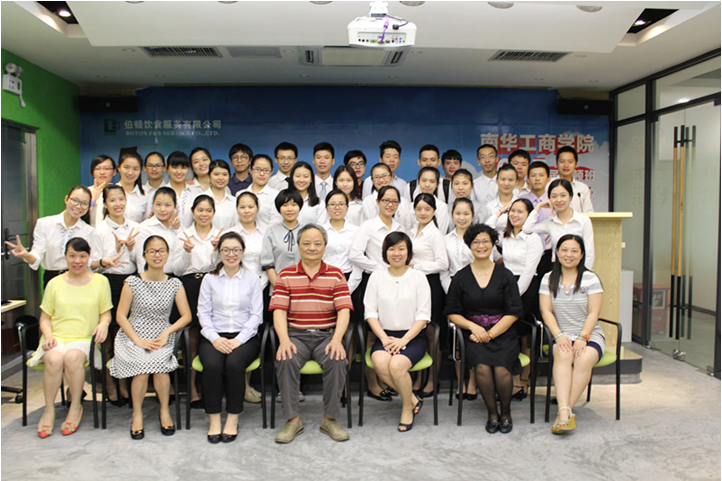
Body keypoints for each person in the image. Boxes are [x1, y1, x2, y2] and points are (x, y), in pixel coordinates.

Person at [271, 224, 353, 443]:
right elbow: (279, 311)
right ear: (298, 246)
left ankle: (330, 420)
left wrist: (337, 339)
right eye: (306, 243)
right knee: (286, 358)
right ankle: (293, 421)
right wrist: (284, 340)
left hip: (326, 336)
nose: (312, 248)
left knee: (337, 359)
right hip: (295, 335)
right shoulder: (286, 274)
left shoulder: (336, 274)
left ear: (325, 246)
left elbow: (344, 310)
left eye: (317, 243)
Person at [109, 235, 192, 440]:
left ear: (168, 254)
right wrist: (138, 340)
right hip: (133, 336)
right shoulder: (133, 281)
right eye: (152, 251)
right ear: (144, 255)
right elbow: (121, 316)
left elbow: (186, 316)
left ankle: (164, 411)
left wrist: (166, 333)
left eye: (162, 251)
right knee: (143, 368)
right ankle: (137, 414)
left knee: (160, 366)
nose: (157, 255)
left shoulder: (174, 283)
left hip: (161, 335)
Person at [30, 237, 112, 438]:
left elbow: (106, 314)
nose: (77, 261)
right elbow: (45, 318)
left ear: (89, 257)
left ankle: (75, 406)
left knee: (73, 358)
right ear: (65, 257)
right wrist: (48, 335)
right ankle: (49, 409)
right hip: (56, 337)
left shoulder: (100, 281)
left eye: (82, 256)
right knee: (53, 359)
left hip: (84, 338)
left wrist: (103, 324)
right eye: (72, 256)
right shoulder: (54, 283)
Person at [445, 223, 523, 434]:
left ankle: (505, 413)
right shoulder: (461, 277)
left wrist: (490, 333)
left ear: (493, 244)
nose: (481, 246)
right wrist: (473, 327)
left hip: (503, 333)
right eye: (476, 242)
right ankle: (492, 414)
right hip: (474, 335)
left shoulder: (505, 275)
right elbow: (452, 312)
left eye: (486, 241)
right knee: (482, 367)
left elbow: (514, 311)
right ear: (469, 245)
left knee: (501, 368)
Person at [198, 232, 263, 443]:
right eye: (226, 250)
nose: (231, 254)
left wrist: (239, 340)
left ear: (243, 252)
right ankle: (214, 419)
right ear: (219, 253)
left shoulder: (252, 279)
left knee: (235, 364)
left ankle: (233, 418)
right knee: (212, 365)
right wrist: (215, 338)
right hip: (214, 335)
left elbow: (256, 315)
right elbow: (203, 313)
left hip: (244, 337)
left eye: (236, 250)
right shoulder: (209, 279)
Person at [364, 231, 431, 432]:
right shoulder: (376, 277)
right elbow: (370, 313)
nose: (396, 253)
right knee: (380, 363)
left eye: (401, 249)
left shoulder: (418, 277)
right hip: (385, 336)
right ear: (385, 252)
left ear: (408, 252)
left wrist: (404, 340)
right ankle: (411, 399)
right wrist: (384, 338)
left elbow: (423, 315)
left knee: (397, 365)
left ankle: (406, 409)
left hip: (413, 337)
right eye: (392, 249)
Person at [539, 235, 604, 434]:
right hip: (561, 334)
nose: (569, 255)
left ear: (582, 254)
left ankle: (564, 413)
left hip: (590, 335)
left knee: (583, 358)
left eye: (574, 251)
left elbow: (593, 313)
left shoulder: (590, 279)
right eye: (565, 250)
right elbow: (546, 312)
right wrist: (559, 335)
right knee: (563, 354)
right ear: (557, 252)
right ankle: (565, 413)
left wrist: (583, 337)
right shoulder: (548, 278)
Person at [350, 185, 404, 401]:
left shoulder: (400, 227)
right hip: (374, 283)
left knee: (390, 330)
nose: (390, 205)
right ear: (378, 202)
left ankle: (387, 379)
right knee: (372, 335)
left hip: (397, 285)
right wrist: (381, 268)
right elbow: (355, 254)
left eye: (394, 201)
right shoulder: (368, 226)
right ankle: (373, 384)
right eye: (386, 200)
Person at [489, 198, 544, 399]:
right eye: (512, 211)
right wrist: (499, 212)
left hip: (526, 288)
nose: (514, 215)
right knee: (508, 335)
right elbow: (486, 231)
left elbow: (529, 272)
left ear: (529, 216)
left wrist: (512, 297)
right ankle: (511, 381)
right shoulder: (506, 236)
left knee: (524, 337)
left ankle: (523, 381)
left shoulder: (533, 239)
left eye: (520, 211)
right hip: (508, 285)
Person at [172, 194, 224, 408]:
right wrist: (186, 253)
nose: (204, 214)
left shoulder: (220, 235)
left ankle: (213, 388)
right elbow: (176, 270)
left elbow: (224, 266)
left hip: (214, 285)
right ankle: (192, 390)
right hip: (189, 287)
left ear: (214, 212)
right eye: (200, 210)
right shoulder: (182, 235)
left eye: (208, 210)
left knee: (213, 338)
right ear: (193, 211)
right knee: (191, 341)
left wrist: (218, 251)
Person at [91, 184, 140, 406]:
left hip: (131, 282)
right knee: (108, 336)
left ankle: (124, 383)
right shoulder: (99, 231)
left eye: (121, 199)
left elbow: (141, 259)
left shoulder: (135, 227)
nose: (118, 204)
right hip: (107, 283)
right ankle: (110, 383)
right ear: (105, 204)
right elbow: (92, 264)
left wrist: (130, 248)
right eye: (112, 200)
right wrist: (114, 251)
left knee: (125, 335)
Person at [5, 185, 97, 287]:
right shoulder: (44, 224)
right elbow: (37, 254)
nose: (78, 206)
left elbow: (89, 261)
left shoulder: (89, 231)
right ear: (66, 199)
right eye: (75, 200)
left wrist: (103, 262)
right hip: (52, 279)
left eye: (84, 203)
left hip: (79, 278)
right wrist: (26, 255)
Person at [408, 194, 448, 398]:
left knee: (432, 333)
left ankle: (432, 379)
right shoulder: (411, 231)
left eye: (427, 209)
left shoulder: (435, 234)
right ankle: (419, 377)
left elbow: (443, 263)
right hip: (413, 285)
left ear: (434, 212)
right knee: (417, 332)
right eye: (419, 209)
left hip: (431, 285)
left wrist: (416, 267)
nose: (422, 213)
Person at [228, 192, 267, 404]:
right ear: (237, 209)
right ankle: (240, 386)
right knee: (239, 332)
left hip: (262, 287)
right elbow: (229, 261)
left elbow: (269, 262)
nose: (246, 211)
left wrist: (258, 287)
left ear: (257, 209)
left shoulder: (266, 232)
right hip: (236, 290)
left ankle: (247, 384)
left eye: (250, 206)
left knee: (255, 334)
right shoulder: (231, 233)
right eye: (242, 207)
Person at [442, 198, 476, 400]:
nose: (462, 218)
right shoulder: (445, 239)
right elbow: (444, 270)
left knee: (474, 337)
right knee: (457, 338)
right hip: (453, 289)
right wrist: (452, 293)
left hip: (478, 290)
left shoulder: (480, 238)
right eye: (458, 213)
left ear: (473, 215)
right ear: (452, 215)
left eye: (466, 213)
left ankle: (473, 382)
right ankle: (460, 381)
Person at [522, 179, 595, 270]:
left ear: (570, 197)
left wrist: (584, 274)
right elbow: (527, 229)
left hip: (578, 269)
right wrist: (539, 206)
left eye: (563, 195)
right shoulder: (550, 222)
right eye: (554, 196)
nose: (559, 200)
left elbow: (589, 254)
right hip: (556, 269)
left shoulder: (583, 221)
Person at [261, 189, 303, 289]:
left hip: (304, 288)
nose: (289, 209)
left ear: (300, 207)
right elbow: (268, 265)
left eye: (294, 205)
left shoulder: (307, 231)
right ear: (279, 208)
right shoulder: (271, 232)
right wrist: (280, 288)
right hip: (278, 288)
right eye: (285, 205)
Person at [321, 189, 361, 293]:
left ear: (347, 207)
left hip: (348, 279)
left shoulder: (356, 231)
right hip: (323, 279)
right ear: (326, 208)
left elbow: (358, 263)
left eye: (341, 204)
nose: (337, 207)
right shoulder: (320, 231)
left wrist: (348, 288)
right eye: (332, 204)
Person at [135, 187, 181, 275]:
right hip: (151, 277)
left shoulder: (179, 228)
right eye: (158, 204)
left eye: (167, 205)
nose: (162, 209)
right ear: (152, 205)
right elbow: (141, 260)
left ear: (175, 207)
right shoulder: (144, 228)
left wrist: (177, 230)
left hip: (176, 277)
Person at [520, 160, 554, 276]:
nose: (537, 179)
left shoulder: (554, 201)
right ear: (528, 180)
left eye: (541, 175)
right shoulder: (521, 201)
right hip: (526, 251)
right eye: (533, 175)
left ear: (548, 179)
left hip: (550, 252)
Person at [184, 159, 238, 230]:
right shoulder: (199, 199)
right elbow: (187, 226)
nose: (221, 178)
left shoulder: (234, 201)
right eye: (216, 174)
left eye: (224, 174)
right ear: (209, 176)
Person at [362, 163, 413, 230]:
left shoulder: (403, 201)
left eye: (384, 176)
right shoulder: (368, 201)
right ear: (372, 180)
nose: (381, 180)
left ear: (391, 177)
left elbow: (408, 226)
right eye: (376, 177)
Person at [239, 154, 281, 229]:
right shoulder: (240, 194)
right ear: (250, 170)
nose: (262, 174)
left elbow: (276, 222)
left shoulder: (276, 195)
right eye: (257, 169)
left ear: (271, 172)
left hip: (267, 235)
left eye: (266, 170)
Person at [406, 166, 450, 233]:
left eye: (432, 181)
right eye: (424, 180)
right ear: (418, 182)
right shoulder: (411, 205)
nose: (427, 185)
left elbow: (441, 232)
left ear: (437, 184)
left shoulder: (442, 207)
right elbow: (408, 230)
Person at [555, 146, 594, 213]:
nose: (566, 165)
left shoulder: (583, 188)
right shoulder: (548, 186)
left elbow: (589, 213)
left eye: (570, 162)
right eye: (562, 161)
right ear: (556, 164)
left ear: (576, 164)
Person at [485, 164, 518, 234]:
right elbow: (485, 229)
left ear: (516, 181)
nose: (506, 183)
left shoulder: (521, 205)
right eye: (503, 179)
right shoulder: (489, 206)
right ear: (497, 180)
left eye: (510, 180)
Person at [288, 161, 324, 226]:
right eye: (298, 176)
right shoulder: (284, 200)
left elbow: (320, 227)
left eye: (306, 176)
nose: (301, 180)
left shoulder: (319, 203)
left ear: (311, 179)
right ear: (292, 178)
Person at [116, 152, 147, 224]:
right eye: (126, 167)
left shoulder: (145, 194)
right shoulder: (109, 191)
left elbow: (147, 222)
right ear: (119, 168)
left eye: (135, 169)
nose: (130, 173)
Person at [88, 155, 117, 226]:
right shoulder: (86, 192)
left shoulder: (119, 191)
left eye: (106, 169)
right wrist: (92, 200)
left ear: (114, 172)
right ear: (92, 172)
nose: (102, 172)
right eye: (97, 169)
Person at [164, 151, 192, 216]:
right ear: (167, 168)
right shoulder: (158, 193)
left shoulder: (195, 193)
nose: (179, 172)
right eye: (174, 167)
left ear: (188, 169)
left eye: (183, 168)